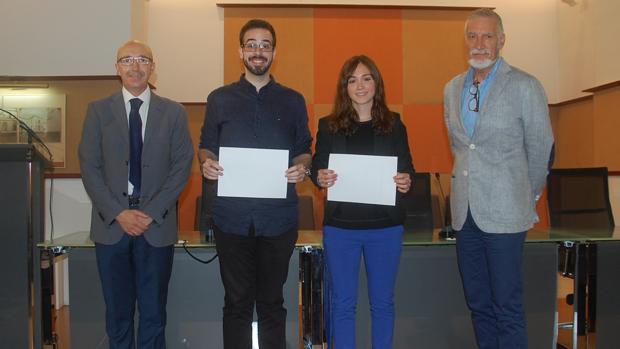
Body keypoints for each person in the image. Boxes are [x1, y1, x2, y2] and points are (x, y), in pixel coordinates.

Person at [198, 19, 312, 349]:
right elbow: (206, 144)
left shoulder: (293, 100)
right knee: (236, 303)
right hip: (231, 218)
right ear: (240, 51)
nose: (257, 51)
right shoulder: (219, 98)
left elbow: (305, 149)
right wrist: (206, 161)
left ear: (274, 52)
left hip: (278, 219)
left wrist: (301, 167)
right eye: (251, 44)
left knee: (272, 303)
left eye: (264, 45)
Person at [443, 8, 554, 349]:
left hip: (507, 212)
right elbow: (460, 147)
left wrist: (525, 194)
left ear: (502, 40)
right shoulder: (451, 89)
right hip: (465, 214)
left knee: (507, 305)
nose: (480, 43)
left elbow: (541, 148)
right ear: (466, 41)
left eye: (488, 36)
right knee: (478, 305)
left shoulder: (525, 85)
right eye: (473, 36)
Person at [78, 40, 194, 349]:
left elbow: (182, 168)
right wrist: (119, 212)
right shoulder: (98, 111)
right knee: (117, 314)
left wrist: (151, 212)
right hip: (111, 225)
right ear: (116, 68)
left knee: (154, 313)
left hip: (155, 226)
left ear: (153, 67)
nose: (135, 66)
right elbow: (90, 167)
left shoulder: (174, 113)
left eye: (143, 60)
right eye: (127, 60)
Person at [310, 55, 414, 349]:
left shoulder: (394, 124)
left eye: (366, 78)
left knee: (382, 304)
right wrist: (321, 176)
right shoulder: (328, 125)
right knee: (343, 304)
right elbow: (318, 167)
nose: (360, 85)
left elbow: (407, 168)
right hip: (341, 228)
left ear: (376, 83)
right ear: (344, 87)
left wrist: (405, 180)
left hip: (385, 228)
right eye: (352, 79)